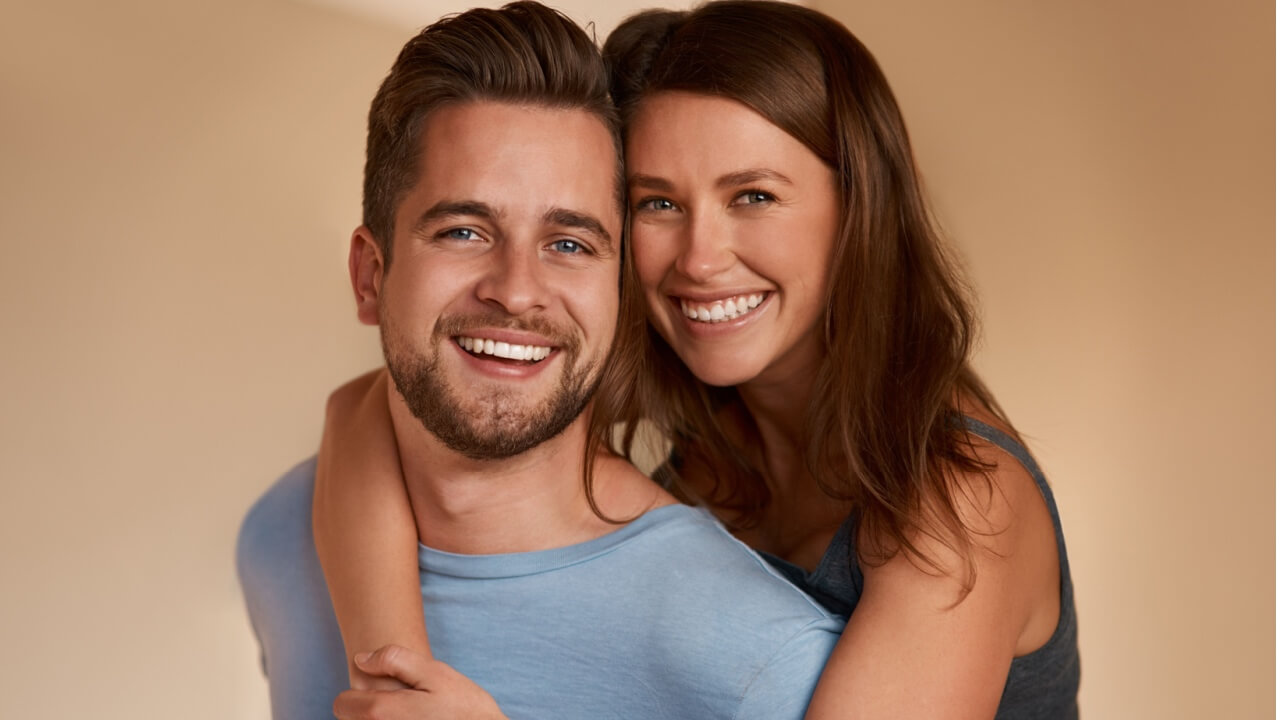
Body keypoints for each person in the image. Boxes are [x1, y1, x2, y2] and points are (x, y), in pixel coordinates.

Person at [313, 1, 1082, 718]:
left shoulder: (961, 501)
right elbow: (366, 409)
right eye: (658, 203)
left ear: (858, 212)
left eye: (752, 196)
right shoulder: (705, 407)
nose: (701, 260)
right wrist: (394, 678)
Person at [236, 3, 845, 719]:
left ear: (617, 293)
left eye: (569, 245)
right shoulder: (280, 533)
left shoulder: (761, 658)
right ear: (371, 276)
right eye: (464, 230)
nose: (517, 291)